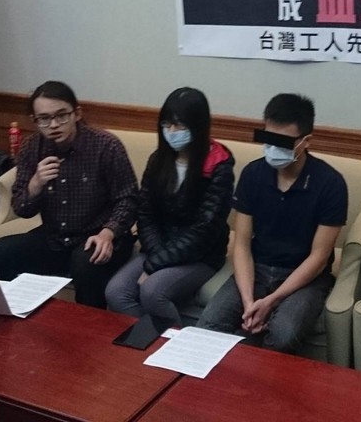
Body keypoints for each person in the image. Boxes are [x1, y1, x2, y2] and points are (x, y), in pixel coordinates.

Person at [196, 93, 347, 354]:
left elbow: (319, 257)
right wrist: (248, 301)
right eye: (268, 139)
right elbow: (241, 243)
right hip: (258, 267)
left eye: (283, 142)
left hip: (304, 277)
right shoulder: (253, 174)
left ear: (306, 141)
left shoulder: (331, 184)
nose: (273, 149)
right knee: (208, 326)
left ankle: (249, 371)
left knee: (284, 334)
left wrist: (271, 301)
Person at [0, 80, 138, 308]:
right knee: (0, 253)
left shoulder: (106, 146)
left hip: (98, 236)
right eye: (44, 119)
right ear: (35, 121)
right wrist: (36, 183)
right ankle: (12, 316)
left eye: (61, 116)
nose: (54, 125)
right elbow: (22, 209)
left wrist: (109, 233)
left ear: (77, 114)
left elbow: (129, 199)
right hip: (54, 237)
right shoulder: (32, 148)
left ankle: (88, 328)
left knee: (86, 263)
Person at [105, 87, 234, 330]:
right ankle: (147, 341)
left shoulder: (219, 166)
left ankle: (173, 346)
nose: (172, 132)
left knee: (153, 292)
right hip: (159, 248)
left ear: (198, 126)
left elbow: (204, 231)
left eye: (180, 125)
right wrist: (156, 257)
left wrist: (155, 265)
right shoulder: (158, 160)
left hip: (200, 255)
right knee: (116, 292)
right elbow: (146, 214)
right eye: (167, 124)